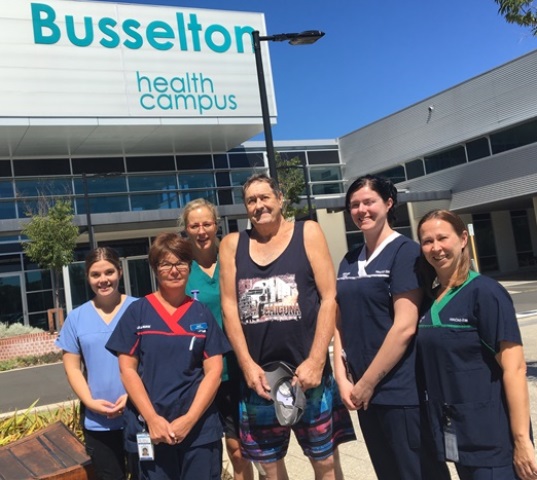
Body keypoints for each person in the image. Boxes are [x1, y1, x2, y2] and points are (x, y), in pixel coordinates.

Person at [219, 173, 356, 480]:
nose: (259, 205)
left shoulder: (307, 232)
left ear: (279, 199)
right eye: (251, 200)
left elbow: (328, 296)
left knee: (326, 464)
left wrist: (317, 360)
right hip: (260, 380)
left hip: (308, 375)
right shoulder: (232, 245)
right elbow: (229, 307)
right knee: (269, 469)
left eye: (264, 197)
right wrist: (246, 364)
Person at [416, 209, 537, 480]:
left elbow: (515, 369)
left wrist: (522, 441)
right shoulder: (430, 300)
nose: (436, 248)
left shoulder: (486, 293)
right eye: (427, 241)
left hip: (491, 440)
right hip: (457, 434)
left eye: (442, 238)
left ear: (462, 239)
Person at [106, 233, 231, 480]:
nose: (174, 270)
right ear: (154, 268)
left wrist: (190, 419)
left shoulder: (201, 314)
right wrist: (152, 419)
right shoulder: (138, 312)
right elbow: (127, 370)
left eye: (180, 263)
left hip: (199, 431)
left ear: (189, 266)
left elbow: (214, 372)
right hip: (151, 429)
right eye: (165, 264)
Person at [333, 174, 425, 480]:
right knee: (387, 472)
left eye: (368, 202)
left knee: (415, 472)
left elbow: (405, 327)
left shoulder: (405, 253)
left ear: (388, 203)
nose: (362, 210)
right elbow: (339, 323)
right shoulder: (348, 261)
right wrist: (342, 379)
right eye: (354, 205)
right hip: (363, 394)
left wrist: (367, 382)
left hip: (399, 392)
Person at [180, 198, 255, 480]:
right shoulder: (182, 270)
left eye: (207, 224)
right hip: (201, 374)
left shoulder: (234, 259)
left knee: (240, 449)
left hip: (238, 367)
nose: (201, 231)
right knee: (206, 451)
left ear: (216, 225)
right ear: (186, 230)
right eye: (194, 225)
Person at [56, 247, 137, 480]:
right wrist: (90, 402)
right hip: (97, 422)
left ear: (120, 272)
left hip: (139, 414)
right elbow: (72, 367)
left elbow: (151, 361)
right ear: (87, 277)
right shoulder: (77, 318)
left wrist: (132, 397)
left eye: (109, 272)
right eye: (96, 274)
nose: (103, 280)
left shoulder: (140, 309)